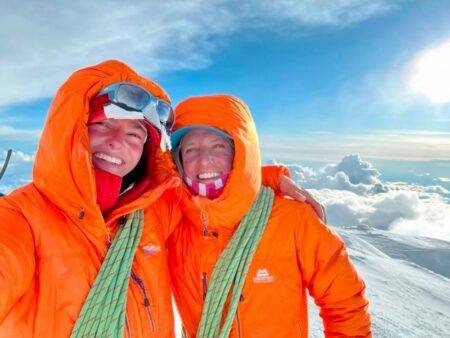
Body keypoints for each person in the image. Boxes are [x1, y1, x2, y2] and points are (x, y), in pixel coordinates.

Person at [0, 60, 320, 336]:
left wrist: (267, 178)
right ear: (73, 128)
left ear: (145, 151)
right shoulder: (21, 220)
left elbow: (207, 181)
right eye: (104, 125)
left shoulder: (152, 212)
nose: (117, 143)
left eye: (134, 135)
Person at [167, 94, 372, 337]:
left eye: (218, 146)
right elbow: (146, 183)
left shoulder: (293, 218)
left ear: (239, 153)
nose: (203, 160)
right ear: (178, 160)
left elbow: (345, 303)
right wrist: (268, 178)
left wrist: (257, 179)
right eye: (190, 150)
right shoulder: (173, 224)